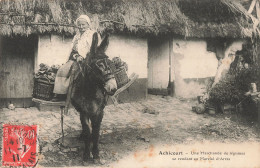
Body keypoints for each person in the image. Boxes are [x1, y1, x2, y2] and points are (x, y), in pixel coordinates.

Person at [52, 14, 101, 101]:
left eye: (83, 24)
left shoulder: (93, 35)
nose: (81, 27)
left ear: (88, 24)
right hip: (76, 59)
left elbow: (97, 49)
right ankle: (61, 94)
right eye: (79, 25)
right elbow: (73, 50)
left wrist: (85, 57)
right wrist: (76, 56)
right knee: (63, 69)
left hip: (90, 59)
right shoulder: (76, 37)